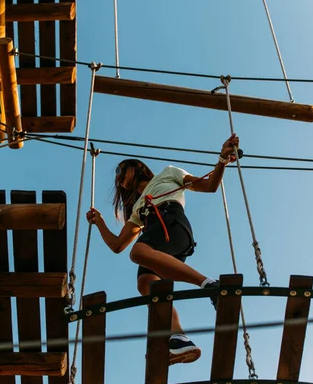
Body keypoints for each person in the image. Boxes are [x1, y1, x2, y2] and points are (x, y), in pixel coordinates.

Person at [86, 134, 239, 365]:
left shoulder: (168, 173)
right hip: (155, 235)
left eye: (121, 172)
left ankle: (210, 285)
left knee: (138, 253)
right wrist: (99, 222)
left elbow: (209, 186)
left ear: (135, 167)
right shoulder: (138, 208)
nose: (118, 179)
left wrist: (222, 160)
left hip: (173, 225)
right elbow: (117, 245)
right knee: (145, 282)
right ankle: (179, 338)